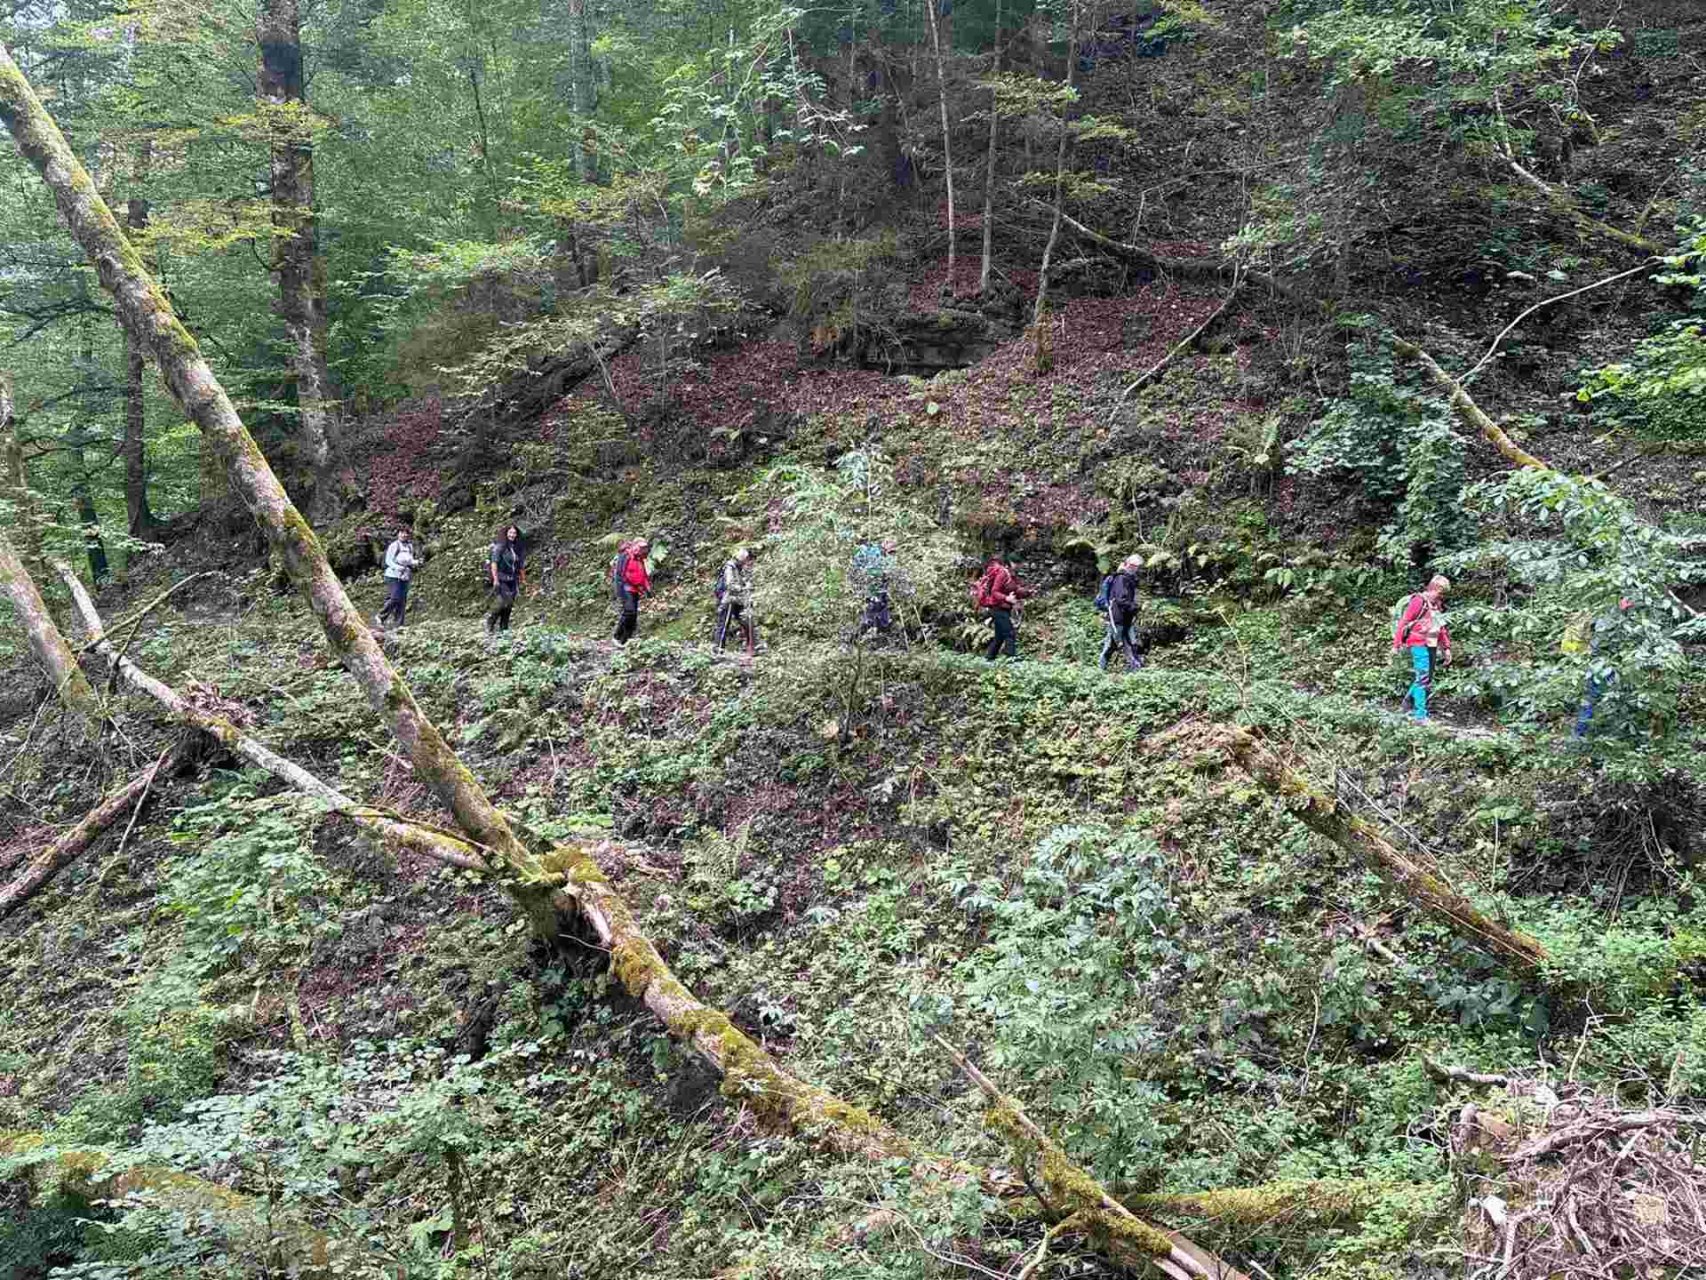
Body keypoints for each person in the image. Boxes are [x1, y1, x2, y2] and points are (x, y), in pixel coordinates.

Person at [1392, 574, 1453, 722]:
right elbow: (1404, 622)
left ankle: (1406, 704)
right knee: (1423, 679)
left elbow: (1441, 627)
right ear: (1435, 588)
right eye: (1441, 592)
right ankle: (1420, 715)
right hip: (1418, 643)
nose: (1442, 596)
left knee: (1426, 678)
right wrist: (1396, 645)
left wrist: (1446, 647)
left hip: (1431, 643)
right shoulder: (1418, 601)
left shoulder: (1436, 604)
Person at [1570, 597, 1632, 738]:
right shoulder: (1606, 625)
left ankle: (1589, 733)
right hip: (1601, 669)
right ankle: (1580, 734)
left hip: (1604, 667)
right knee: (1592, 701)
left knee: (1598, 701)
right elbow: (1597, 646)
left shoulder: (1610, 622)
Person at [975, 553, 1023, 661]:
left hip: (1004, 609)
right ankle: (1011, 659)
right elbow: (994, 592)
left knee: (999, 637)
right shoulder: (1002, 573)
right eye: (1018, 563)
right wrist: (1007, 599)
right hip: (997, 608)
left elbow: (1014, 590)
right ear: (1011, 562)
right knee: (1010, 633)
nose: (1020, 565)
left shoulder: (1011, 575)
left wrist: (1027, 592)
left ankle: (989, 658)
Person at [1100, 556, 1144, 672]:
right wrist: (1135, 607)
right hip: (1117, 619)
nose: (1134, 568)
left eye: (1136, 566)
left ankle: (1135, 672)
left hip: (1127, 620)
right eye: (1132, 565)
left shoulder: (1129, 579)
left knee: (1132, 645)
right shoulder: (1121, 579)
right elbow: (1121, 600)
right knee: (1111, 645)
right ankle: (1100, 671)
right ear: (1126, 564)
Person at [852, 537, 898, 638]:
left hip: (881, 583)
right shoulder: (873, 552)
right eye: (890, 550)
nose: (891, 554)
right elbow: (866, 569)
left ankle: (882, 627)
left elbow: (890, 567)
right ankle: (866, 627)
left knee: (882, 603)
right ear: (884, 544)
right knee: (872, 604)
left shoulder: (887, 554)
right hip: (870, 582)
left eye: (893, 552)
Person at [376, 525, 420, 629]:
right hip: (392, 575)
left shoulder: (409, 546)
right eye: (402, 532)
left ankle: (399, 625)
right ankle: (381, 616)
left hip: (405, 576)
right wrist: (398, 567)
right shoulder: (394, 546)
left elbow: (409, 560)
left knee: (402, 600)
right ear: (398, 534)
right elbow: (388, 561)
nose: (404, 535)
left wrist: (417, 562)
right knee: (395, 598)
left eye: (406, 533)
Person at [716, 546, 757, 655]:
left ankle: (752, 648)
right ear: (744, 557)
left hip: (739, 600)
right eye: (748, 559)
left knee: (747, 622)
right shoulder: (730, 567)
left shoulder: (740, 568)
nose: (748, 562)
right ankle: (718, 650)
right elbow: (730, 585)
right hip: (729, 600)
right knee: (724, 625)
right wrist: (743, 588)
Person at [486, 524, 526, 634]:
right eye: (510, 533)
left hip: (513, 579)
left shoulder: (517, 547)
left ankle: (504, 627)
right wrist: (495, 579)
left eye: (514, 533)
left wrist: (522, 578)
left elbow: (520, 564)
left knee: (510, 604)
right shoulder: (500, 547)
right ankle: (490, 621)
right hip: (501, 577)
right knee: (505, 600)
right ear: (506, 533)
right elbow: (494, 563)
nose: (512, 535)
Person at [614, 536, 651, 644]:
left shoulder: (640, 558)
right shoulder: (625, 555)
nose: (643, 550)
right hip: (625, 588)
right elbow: (620, 574)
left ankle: (626, 639)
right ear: (635, 546)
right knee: (629, 611)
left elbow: (642, 574)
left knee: (633, 615)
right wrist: (620, 590)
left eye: (645, 548)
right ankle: (617, 636)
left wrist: (647, 588)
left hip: (635, 589)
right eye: (641, 547)